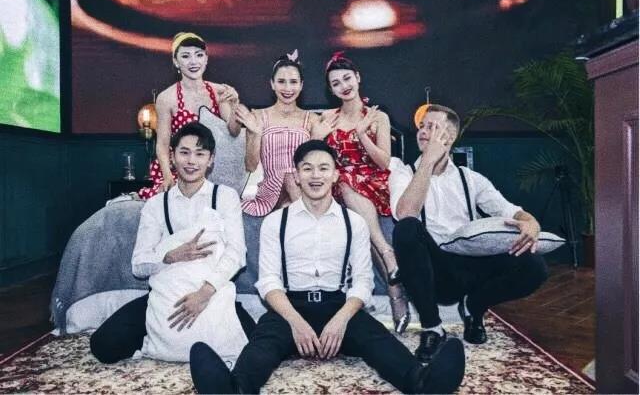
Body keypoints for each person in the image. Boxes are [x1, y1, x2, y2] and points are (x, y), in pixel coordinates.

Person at [188, 140, 465, 394]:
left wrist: (341, 320)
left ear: (335, 175)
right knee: (263, 344)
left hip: (339, 307)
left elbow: (362, 282)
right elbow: (269, 281)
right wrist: (296, 322)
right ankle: (233, 389)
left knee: (377, 339)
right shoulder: (275, 222)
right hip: (290, 307)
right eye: (307, 168)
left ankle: (422, 383)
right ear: (297, 176)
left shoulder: (355, 223)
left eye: (323, 168)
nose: (315, 175)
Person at [390, 104, 548, 363]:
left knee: (535, 266)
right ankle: (432, 328)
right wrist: (427, 162)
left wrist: (531, 223)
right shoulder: (403, 173)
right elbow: (405, 212)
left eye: (432, 127)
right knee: (406, 228)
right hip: (434, 271)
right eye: (421, 127)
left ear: (450, 137)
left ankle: (475, 306)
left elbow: (511, 210)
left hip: (471, 264)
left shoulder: (471, 179)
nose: (423, 132)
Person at [90, 123, 255, 365]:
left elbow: (237, 253)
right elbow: (138, 265)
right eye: (184, 152)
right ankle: (159, 336)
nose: (191, 161)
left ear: (211, 160)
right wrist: (170, 256)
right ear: (172, 156)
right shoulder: (156, 205)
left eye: (200, 154)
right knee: (103, 346)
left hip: (211, 289)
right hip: (165, 293)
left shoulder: (225, 197)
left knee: (255, 345)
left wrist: (205, 293)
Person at [313, 51, 409, 333]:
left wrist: (363, 134)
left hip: (373, 181)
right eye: (336, 83)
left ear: (357, 77)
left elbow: (384, 162)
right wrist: (317, 137)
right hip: (339, 185)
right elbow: (315, 157)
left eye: (347, 78)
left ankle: (387, 258)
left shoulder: (378, 117)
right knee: (346, 190)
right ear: (331, 90)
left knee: (349, 189)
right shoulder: (326, 118)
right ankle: (395, 289)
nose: (343, 86)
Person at [139, 32, 246, 198]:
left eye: (199, 55)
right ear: (176, 61)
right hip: (181, 168)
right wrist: (168, 177)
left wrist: (235, 105)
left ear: (206, 59)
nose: (193, 61)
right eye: (185, 56)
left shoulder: (219, 91)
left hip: (212, 168)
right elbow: (162, 144)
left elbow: (234, 131)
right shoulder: (166, 98)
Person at [236, 50, 322, 216]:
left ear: (301, 85)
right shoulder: (257, 116)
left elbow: (315, 164)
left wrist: (317, 137)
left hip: (303, 187)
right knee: (288, 178)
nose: (288, 88)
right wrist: (255, 133)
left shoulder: (312, 119)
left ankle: (293, 211)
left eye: (293, 82)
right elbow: (250, 166)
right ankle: (307, 217)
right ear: (272, 84)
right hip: (270, 191)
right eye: (281, 81)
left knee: (291, 181)